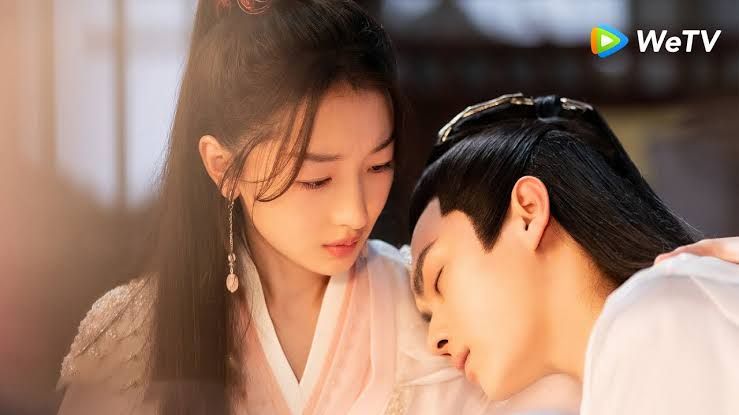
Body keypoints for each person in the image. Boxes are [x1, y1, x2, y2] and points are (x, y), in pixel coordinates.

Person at [56, 4, 579, 415]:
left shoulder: (436, 315)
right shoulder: (131, 336)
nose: (355, 212)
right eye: (316, 179)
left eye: (378, 166)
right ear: (223, 167)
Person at [407, 93, 739, 415]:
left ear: (528, 211)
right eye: (428, 316)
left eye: (438, 279)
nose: (435, 340)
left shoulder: (655, 315)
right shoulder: (632, 345)